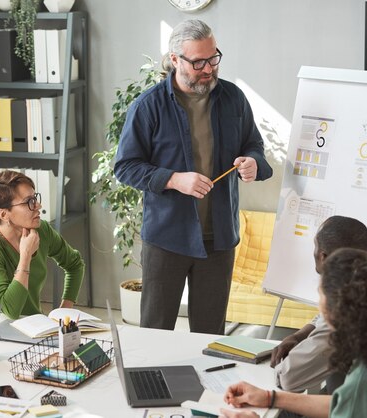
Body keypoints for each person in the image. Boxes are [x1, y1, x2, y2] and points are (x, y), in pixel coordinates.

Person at [114, 19, 273, 334]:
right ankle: (152, 385)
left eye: (213, 58)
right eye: (198, 61)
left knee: (210, 337)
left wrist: (254, 162)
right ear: (175, 60)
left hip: (219, 240)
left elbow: (254, 145)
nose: (209, 68)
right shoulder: (147, 107)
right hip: (166, 239)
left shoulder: (234, 99)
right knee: (155, 334)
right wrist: (174, 179)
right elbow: (126, 166)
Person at [220, 248, 367, 418]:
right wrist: (270, 398)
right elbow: (346, 403)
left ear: (340, 311)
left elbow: (357, 399)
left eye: (320, 294)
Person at [271, 216, 367, 394]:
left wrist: (280, 367)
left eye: (315, 246)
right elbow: (323, 317)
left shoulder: (343, 313)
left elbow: (289, 378)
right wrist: (300, 335)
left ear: (323, 256)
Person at [0, 170, 84, 319]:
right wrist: (25, 256)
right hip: (1, 333)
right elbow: (10, 311)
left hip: (36, 327)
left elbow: (75, 264)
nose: (38, 205)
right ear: (4, 214)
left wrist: (65, 309)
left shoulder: (41, 230)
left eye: (35, 198)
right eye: (28, 202)